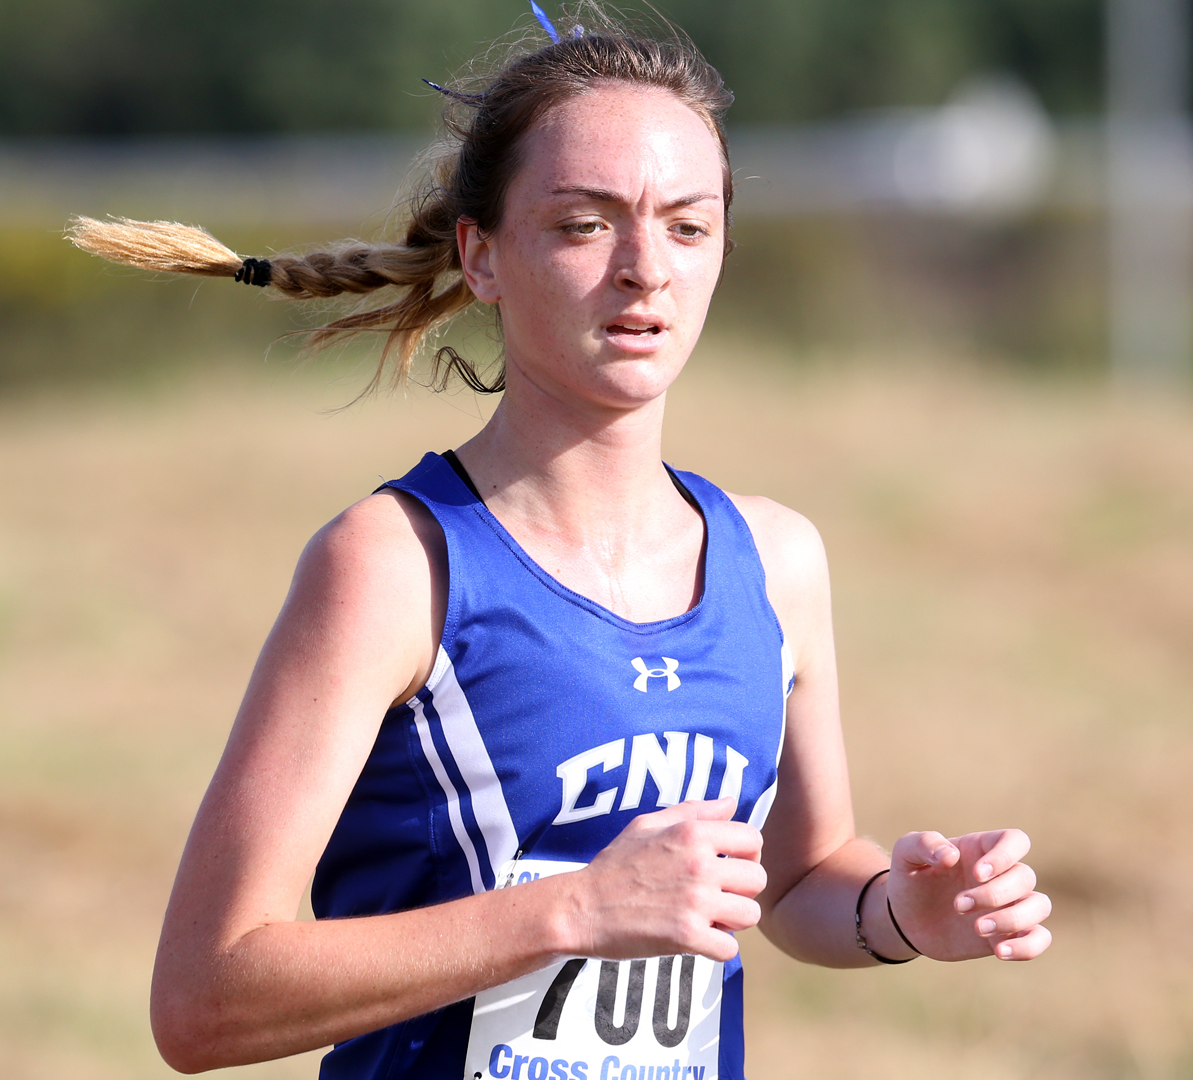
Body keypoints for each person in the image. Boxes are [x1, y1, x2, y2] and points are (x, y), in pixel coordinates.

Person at [68, 8, 1052, 1080]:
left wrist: (900, 911)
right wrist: (576, 909)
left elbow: (798, 876)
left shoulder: (777, 562)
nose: (645, 269)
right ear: (480, 258)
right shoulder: (397, 565)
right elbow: (205, 1000)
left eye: (688, 224)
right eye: (585, 224)